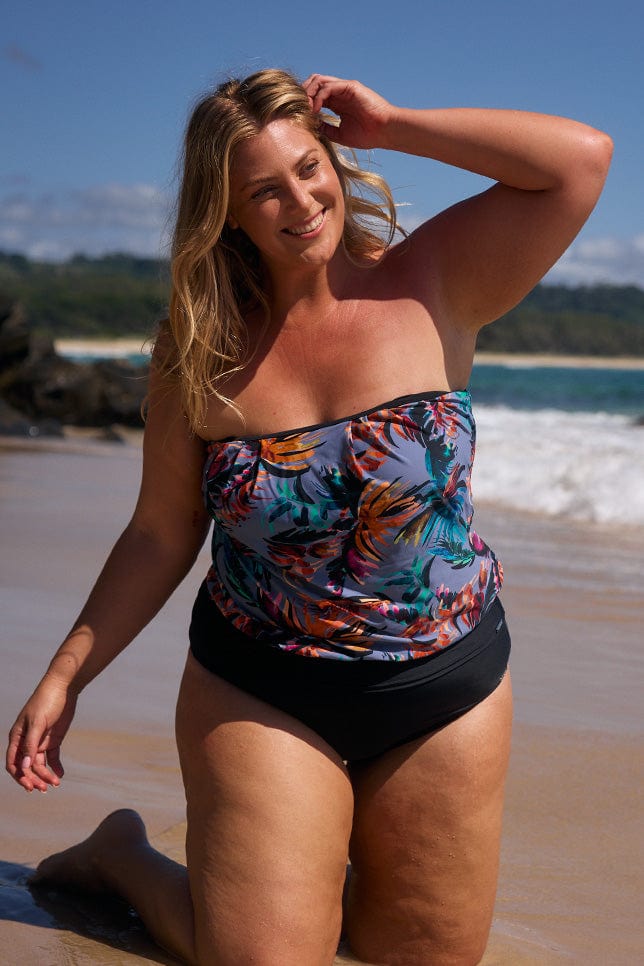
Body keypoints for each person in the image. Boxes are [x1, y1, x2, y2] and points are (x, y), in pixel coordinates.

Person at [6, 70, 611, 966]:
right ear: (228, 213)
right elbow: (161, 531)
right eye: (264, 190)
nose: (300, 201)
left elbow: (578, 163)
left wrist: (395, 123)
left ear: (335, 158)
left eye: (309, 167)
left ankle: (305, 872)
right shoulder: (201, 347)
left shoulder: (434, 279)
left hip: (444, 686)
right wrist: (66, 675)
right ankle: (126, 858)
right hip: (264, 686)